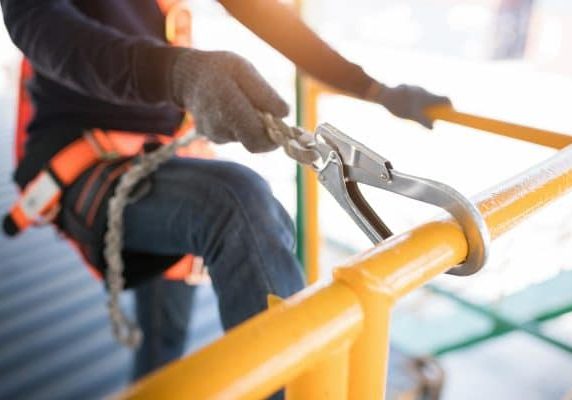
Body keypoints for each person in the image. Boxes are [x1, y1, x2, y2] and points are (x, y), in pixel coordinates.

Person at [0, 0, 451, 395]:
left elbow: (261, 10)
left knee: (163, 343)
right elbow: (40, 25)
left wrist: (370, 88)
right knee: (237, 206)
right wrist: (177, 74)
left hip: (164, 155)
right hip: (85, 157)